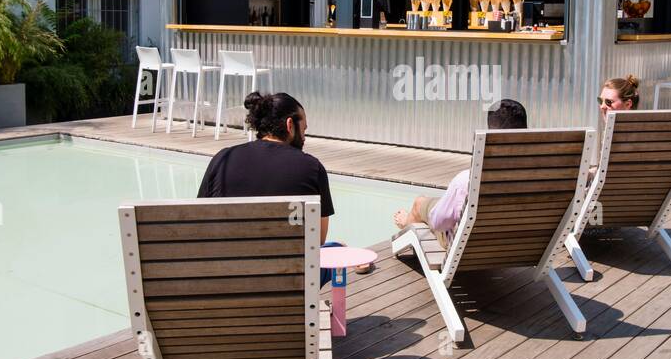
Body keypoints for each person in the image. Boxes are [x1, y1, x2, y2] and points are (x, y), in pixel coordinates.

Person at [197, 91, 364, 280]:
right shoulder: (311, 167)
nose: (304, 136)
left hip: (226, 281)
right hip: (292, 285)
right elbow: (318, 240)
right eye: (304, 129)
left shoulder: (222, 159)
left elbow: (202, 224)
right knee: (337, 248)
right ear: (290, 125)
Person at [392, 98, 528, 246]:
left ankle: (407, 222)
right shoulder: (543, 177)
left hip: (472, 246)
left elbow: (439, 224)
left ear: (489, 133)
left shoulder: (468, 181)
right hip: (518, 243)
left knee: (420, 204)